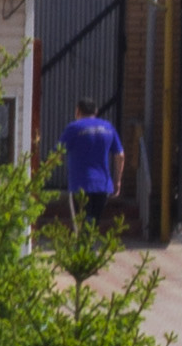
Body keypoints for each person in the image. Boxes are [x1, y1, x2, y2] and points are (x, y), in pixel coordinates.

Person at [51, 103, 128, 244]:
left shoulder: (74, 128)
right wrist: (117, 180)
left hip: (80, 185)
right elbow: (120, 155)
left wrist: (47, 171)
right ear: (96, 111)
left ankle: (85, 258)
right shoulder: (108, 127)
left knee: (81, 226)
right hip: (102, 185)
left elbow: (58, 154)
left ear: (77, 111)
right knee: (93, 224)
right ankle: (89, 255)